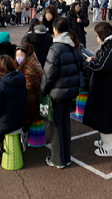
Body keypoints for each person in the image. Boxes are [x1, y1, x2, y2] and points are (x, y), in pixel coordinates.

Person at [41, 18, 82, 168]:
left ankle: (57, 160)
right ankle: (66, 157)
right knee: (65, 123)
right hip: (71, 91)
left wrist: (43, 89)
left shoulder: (56, 48)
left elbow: (49, 74)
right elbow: (80, 66)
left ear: (56, 30)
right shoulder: (74, 45)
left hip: (57, 93)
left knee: (56, 126)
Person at [83, 22, 112, 157]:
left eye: (97, 35)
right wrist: (96, 60)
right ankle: (105, 142)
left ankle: (111, 148)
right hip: (104, 88)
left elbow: (103, 67)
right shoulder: (111, 47)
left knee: (107, 118)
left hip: (109, 89)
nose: (97, 38)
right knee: (103, 117)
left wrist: (91, 62)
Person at [15, 43, 44, 137]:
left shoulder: (30, 68)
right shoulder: (32, 61)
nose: (18, 58)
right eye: (17, 55)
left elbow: (27, 88)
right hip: (36, 100)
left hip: (33, 103)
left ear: (26, 54)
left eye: (21, 55)